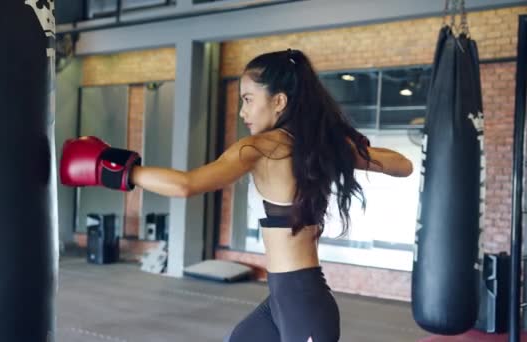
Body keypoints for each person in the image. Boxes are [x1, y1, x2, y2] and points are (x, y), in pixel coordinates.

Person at [59, 49, 414, 342]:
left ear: (278, 101)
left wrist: (112, 168)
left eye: (248, 99)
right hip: (285, 299)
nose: (242, 111)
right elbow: (403, 165)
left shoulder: (259, 147)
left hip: (303, 305)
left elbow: (187, 184)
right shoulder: (310, 147)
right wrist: (348, 149)